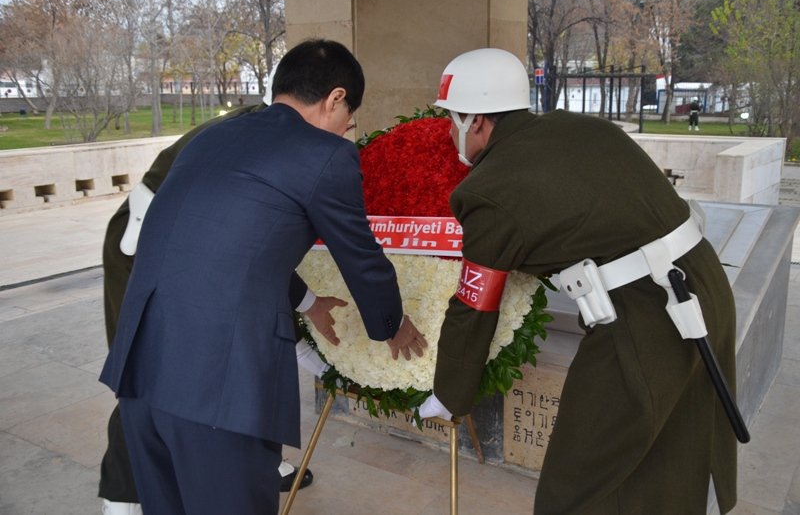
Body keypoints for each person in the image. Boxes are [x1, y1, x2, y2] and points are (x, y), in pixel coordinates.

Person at [99, 39, 427, 515]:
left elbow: (228, 249)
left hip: (142, 377)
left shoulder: (212, 137)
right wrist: (391, 325)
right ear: (336, 98)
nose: (346, 130)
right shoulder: (324, 154)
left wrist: (310, 302)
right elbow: (361, 257)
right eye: (349, 118)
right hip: (218, 389)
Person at [419, 48, 738, 514]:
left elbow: (474, 305)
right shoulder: (585, 128)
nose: (450, 133)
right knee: (669, 467)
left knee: (574, 488)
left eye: (452, 120)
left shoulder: (488, 192)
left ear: (477, 122)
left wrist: (449, 394)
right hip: (702, 286)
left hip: (647, 323)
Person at [99, 100, 322, 513]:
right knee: (145, 380)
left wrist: (308, 311)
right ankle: (121, 496)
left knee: (228, 374)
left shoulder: (271, 129)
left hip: (182, 250)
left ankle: (253, 461)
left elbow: (252, 251)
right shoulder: (258, 135)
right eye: (347, 119)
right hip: (140, 251)